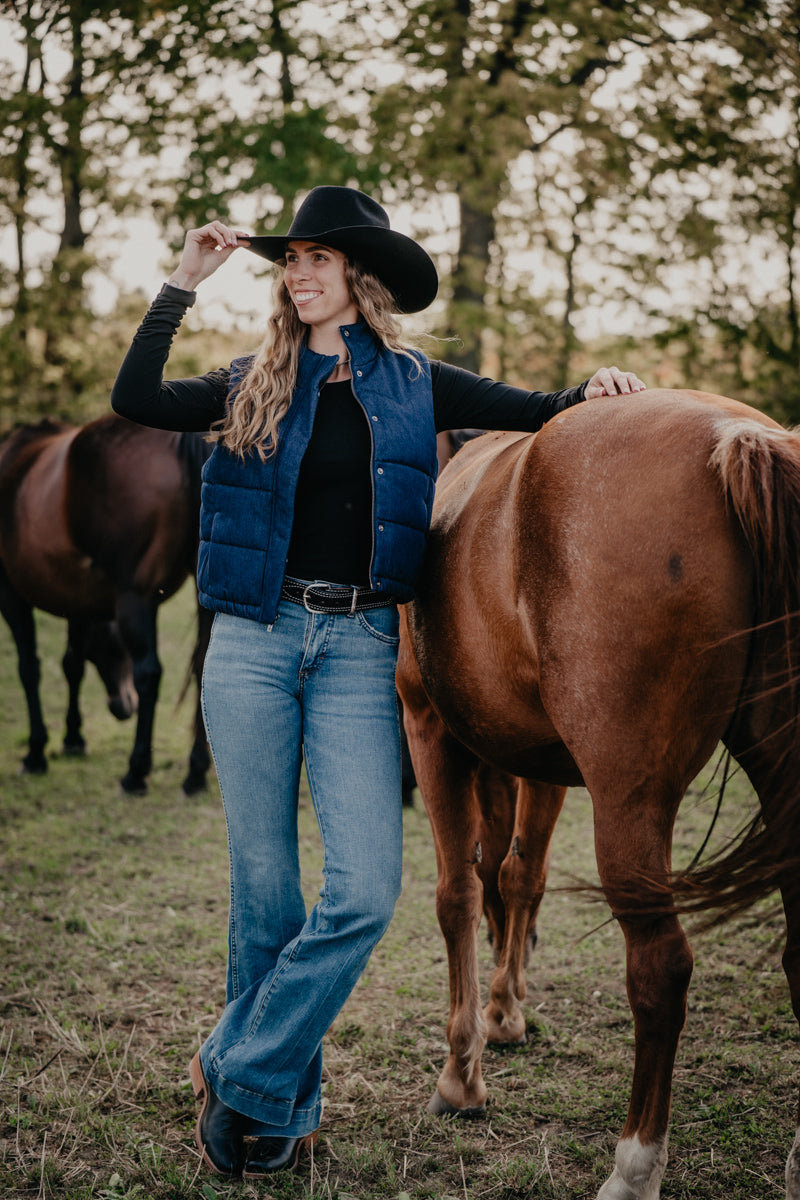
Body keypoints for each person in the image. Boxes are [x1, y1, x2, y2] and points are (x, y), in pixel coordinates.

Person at [110, 185, 646, 1181]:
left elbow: (538, 413)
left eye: (317, 257)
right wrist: (181, 283)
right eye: (290, 260)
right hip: (254, 646)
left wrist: (602, 389)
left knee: (364, 890)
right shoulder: (247, 382)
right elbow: (134, 398)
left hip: (359, 647)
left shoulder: (414, 382)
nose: (298, 272)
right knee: (264, 899)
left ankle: (232, 1062)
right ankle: (274, 1112)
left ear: (359, 278)